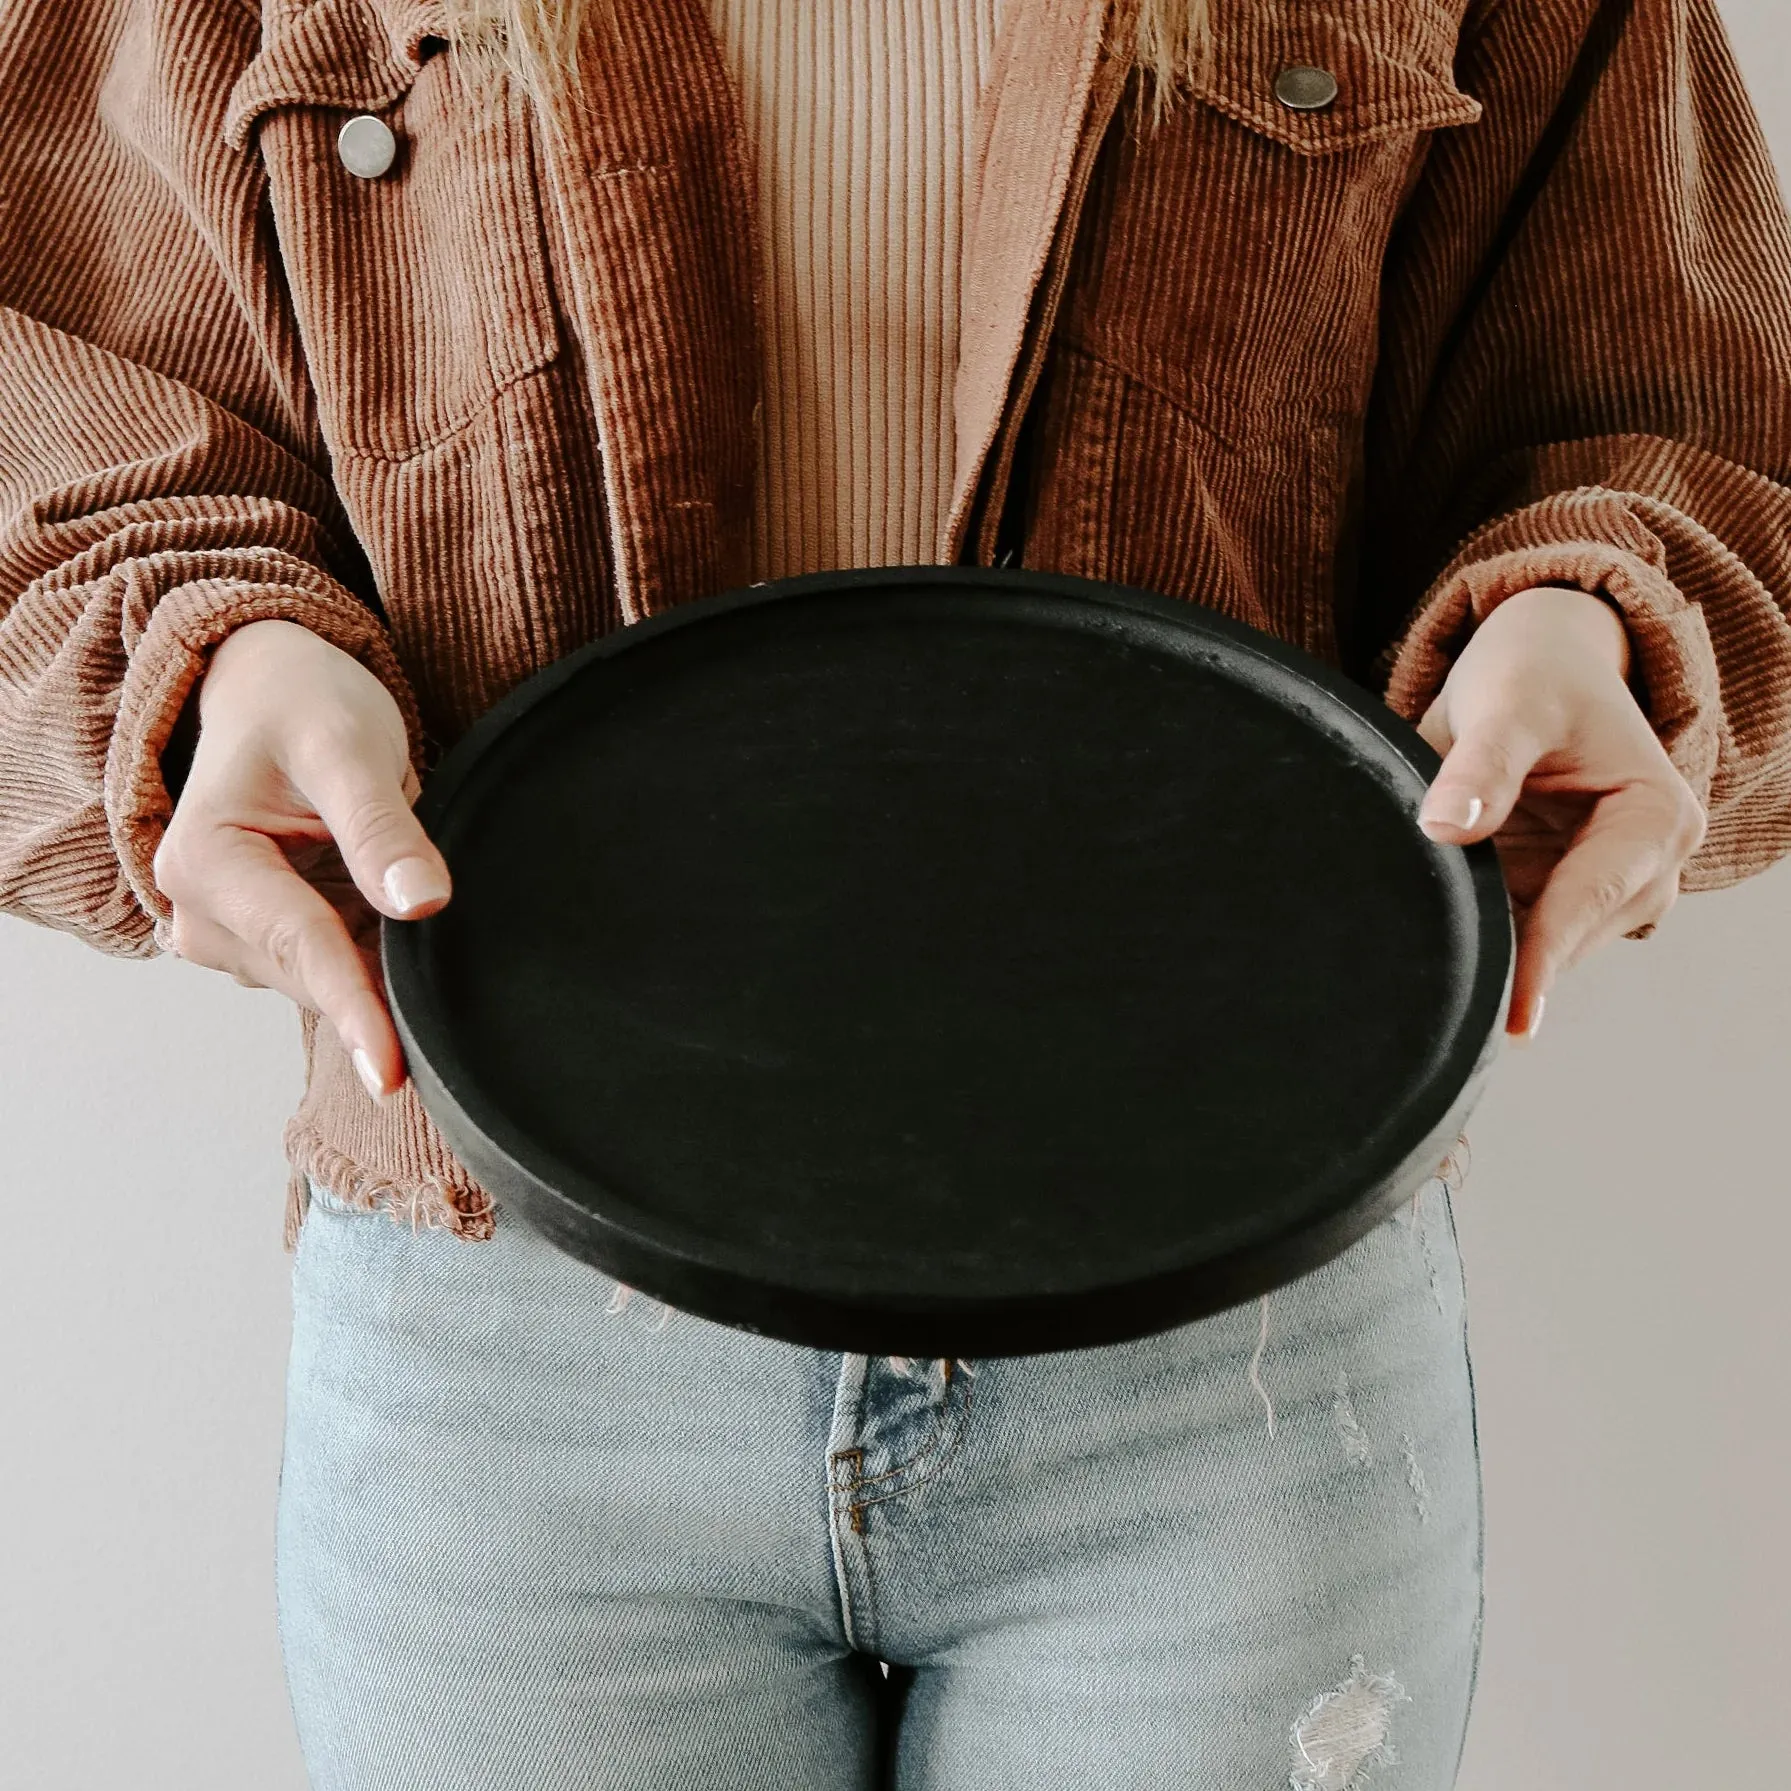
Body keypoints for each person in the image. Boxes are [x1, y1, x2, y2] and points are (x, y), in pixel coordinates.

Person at [2, 0, 1786, 1784]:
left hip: (1222, 1339)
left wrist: (1602, 614)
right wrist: (206, 661)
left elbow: (1685, 414)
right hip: (513, 1336)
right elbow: (42, 384)